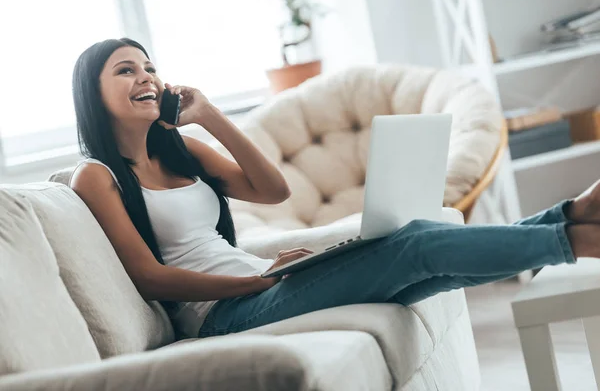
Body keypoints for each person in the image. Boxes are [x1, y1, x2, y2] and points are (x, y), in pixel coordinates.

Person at [69, 38, 600, 339]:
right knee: (416, 243)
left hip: (264, 282)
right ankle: (575, 237)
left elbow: (272, 191)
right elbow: (150, 277)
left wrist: (208, 116)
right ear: (92, 94)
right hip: (223, 315)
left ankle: (569, 215)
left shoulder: (182, 151)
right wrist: (256, 284)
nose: (146, 77)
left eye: (150, 67)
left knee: (424, 263)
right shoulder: (97, 176)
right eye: (125, 70)